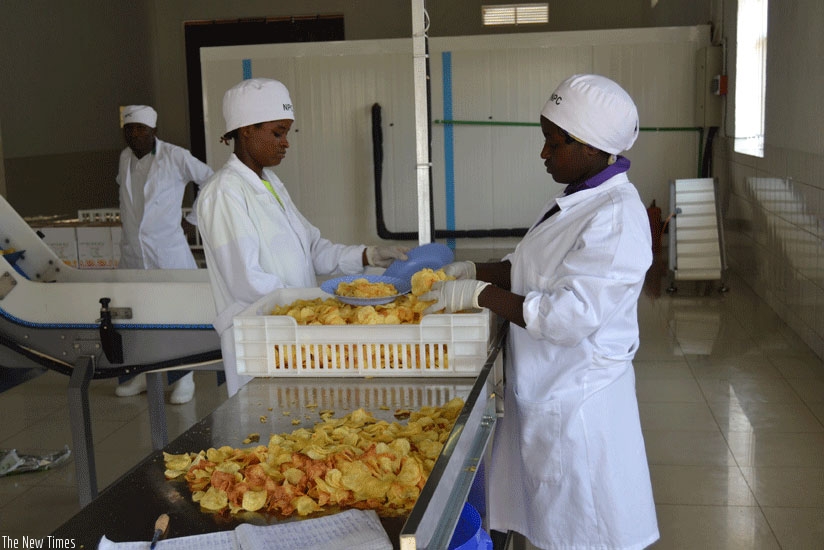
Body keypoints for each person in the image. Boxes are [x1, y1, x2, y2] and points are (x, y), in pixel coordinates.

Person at [421, 74, 660, 549]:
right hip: (549, 387)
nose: (544, 153)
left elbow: (568, 316)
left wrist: (480, 294)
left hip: (578, 403)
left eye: (554, 142)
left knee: (581, 529)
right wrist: (467, 267)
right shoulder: (577, 198)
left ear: (591, 146)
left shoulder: (616, 217)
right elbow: (528, 271)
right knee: (550, 520)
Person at [197, 78, 407, 398]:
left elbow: (312, 248)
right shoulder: (224, 193)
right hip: (261, 339)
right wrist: (321, 306)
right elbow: (247, 282)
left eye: (287, 133)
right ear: (246, 130)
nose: (286, 143)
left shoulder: (270, 184)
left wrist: (368, 255)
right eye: (277, 132)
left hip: (295, 333)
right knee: (268, 429)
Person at [114, 105, 215, 404]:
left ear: (154, 131)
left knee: (175, 316)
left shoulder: (175, 156)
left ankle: (184, 378)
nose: (135, 135)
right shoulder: (124, 158)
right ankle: (146, 375)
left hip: (167, 253)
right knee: (140, 316)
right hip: (134, 253)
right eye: (129, 129)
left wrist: (192, 219)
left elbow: (211, 180)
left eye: (141, 129)